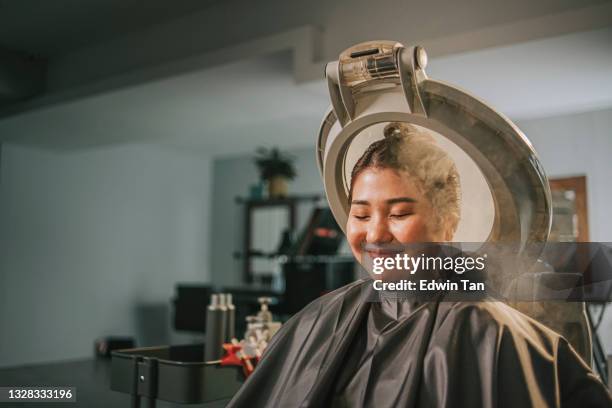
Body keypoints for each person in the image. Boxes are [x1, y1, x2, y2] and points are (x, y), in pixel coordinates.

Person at [228, 123, 612, 407]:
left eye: (399, 213)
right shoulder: (318, 319)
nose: (375, 233)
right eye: (360, 215)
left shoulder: (490, 333)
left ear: (448, 220)